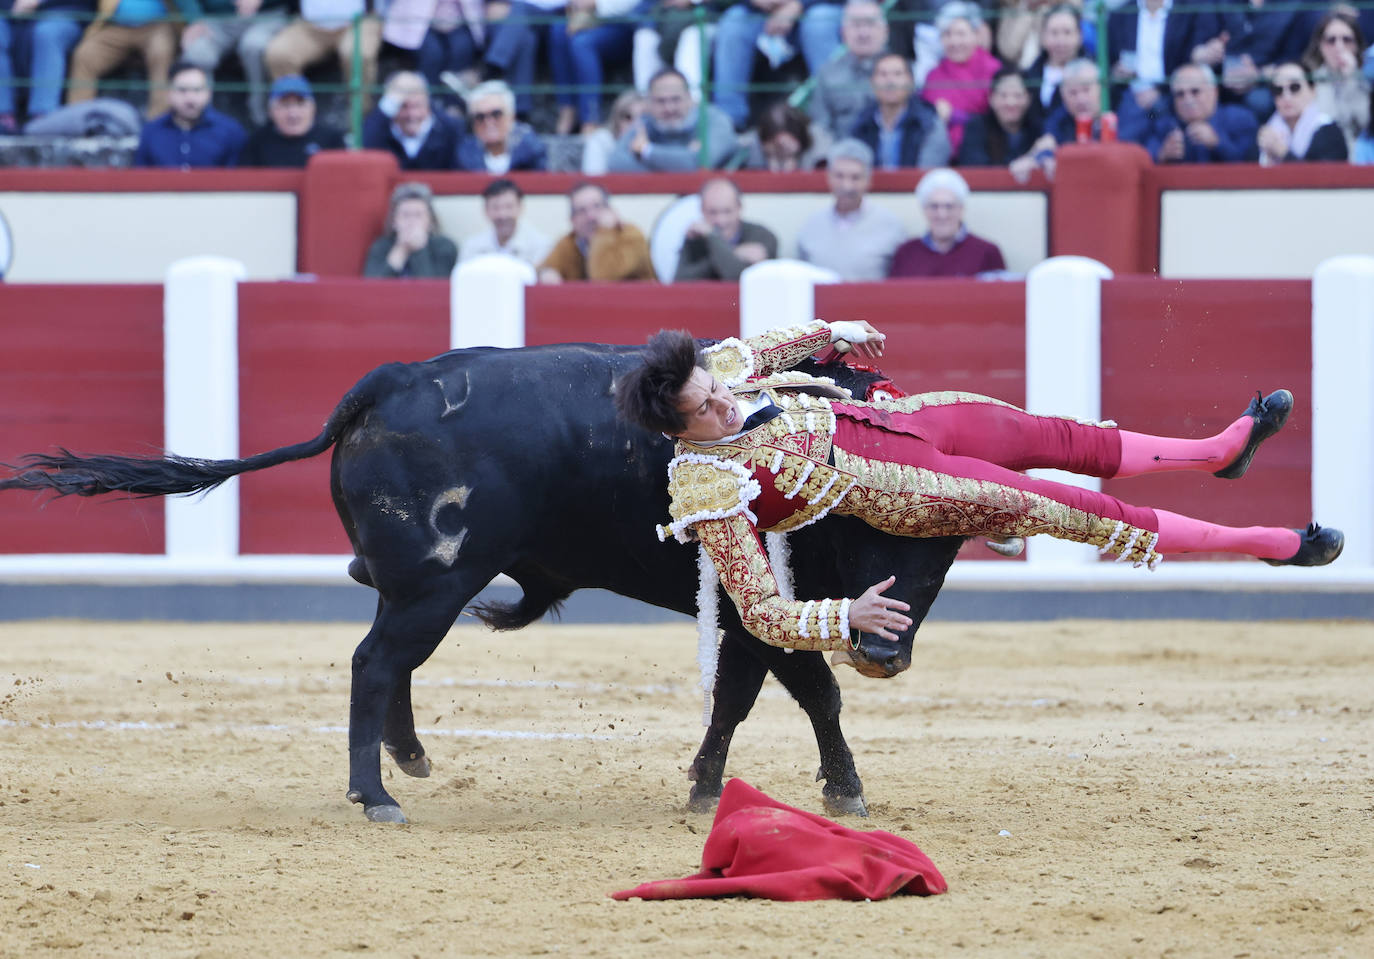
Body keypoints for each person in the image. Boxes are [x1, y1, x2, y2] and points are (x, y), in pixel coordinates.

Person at [613, 320, 1344, 651]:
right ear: (678, 432)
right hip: (915, 491)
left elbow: (777, 344)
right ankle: (1269, 544)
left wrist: (837, 330)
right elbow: (762, 611)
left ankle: (1218, 451)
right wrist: (845, 618)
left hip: (912, 416)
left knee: (1064, 436)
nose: (721, 403)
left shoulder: (720, 369)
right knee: (1071, 508)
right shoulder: (705, 484)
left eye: (712, 388)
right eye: (704, 411)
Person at [711, 0, 846, 130]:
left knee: (819, 24)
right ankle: (729, 122)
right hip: (759, 12)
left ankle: (832, 117)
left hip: (817, 7)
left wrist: (798, 4)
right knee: (733, 24)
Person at [796, 138, 906, 281]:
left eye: (855, 178)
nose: (847, 186)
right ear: (828, 177)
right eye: (839, 176)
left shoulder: (891, 227)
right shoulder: (811, 226)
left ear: (868, 181)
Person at [65, 0, 200, 117]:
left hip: (158, 27)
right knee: (85, 54)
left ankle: (158, 124)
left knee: (162, 51)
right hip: (117, 26)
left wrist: (194, 21)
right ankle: (79, 121)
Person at [178, 0, 289, 127]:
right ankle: (202, 124)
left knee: (254, 46)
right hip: (216, 20)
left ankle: (264, 120)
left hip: (267, 16)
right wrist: (195, 17)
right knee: (196, 53)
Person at [608, 66, 737, 172]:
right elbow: (616, 163)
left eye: (675, 99)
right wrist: (683, 159)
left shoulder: (715, 120)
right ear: (649, 104)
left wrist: (647, 151)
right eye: (661, 101)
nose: (669, 108)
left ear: (690, 99)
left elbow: (698, 163)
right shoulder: (644, 124)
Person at [264, 0, 382, 111]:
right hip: (309, 25)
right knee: (279, 54)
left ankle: (360, 121)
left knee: (357, 55)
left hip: (359, 21)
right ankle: (297, 119)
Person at [889, 167, 1004, 277]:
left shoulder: (987, 253)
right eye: (934, 206)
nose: (942, 214)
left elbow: (1001, 295)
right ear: (924, 210)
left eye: (949, 206)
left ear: (961, 209)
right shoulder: (906, 253)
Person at [920, 1, 1000, 155]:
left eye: (961, 34)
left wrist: (955, 115)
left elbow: (1000, 119)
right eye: (947, 34)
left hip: (984, 151)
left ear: (976, 35)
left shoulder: (993, 70)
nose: (954, 42)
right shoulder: (933, 76)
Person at [548, 0, 640, 132]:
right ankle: (567, 108)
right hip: (585, 17)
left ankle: (590, 120)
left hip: (622, 23)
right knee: (558, 30)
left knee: (582, 44)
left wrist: (595, 4)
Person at [132, 61, 246, 167]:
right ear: (168, 93)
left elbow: (240, 182)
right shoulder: (151, 132)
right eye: (182, 90)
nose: (190, 99)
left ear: (208, 93)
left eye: (197, 90)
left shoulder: (231, 132)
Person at [849, 51, 951, 169]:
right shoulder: (860, 123)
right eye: (883, 74)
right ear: (872, 83)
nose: (890, 81)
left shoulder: (929, 123)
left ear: (911, 82)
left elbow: (928, 175)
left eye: (898, 74)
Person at [0, 0, 91, 130]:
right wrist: (12, 6)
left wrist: (37, 2)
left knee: (46, 34)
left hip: (64, 11)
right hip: (9, 14)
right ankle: (3, 117)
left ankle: (43, 118)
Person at [538, 182, 655, 283]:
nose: (591, 216)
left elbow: (602, 279)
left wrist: (604, 232)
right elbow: (541, 269)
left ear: (611, 210)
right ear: (572, 221)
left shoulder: (631, 235)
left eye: (597, 206)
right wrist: (546, 272)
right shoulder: (570, 242)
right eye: (582, 211)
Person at [809, 0, 890, 143]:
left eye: (870, 24)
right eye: (856, 25)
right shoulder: (828, 74)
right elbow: (819, 128)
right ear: (843, 33)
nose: (863, 33)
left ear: (885, 31)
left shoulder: (900, 72)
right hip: (840, 159)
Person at [673, 178, 779, 282]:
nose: (720, 220)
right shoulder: (696, 237)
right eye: (713, 212)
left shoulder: (762, 236)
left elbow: (737, 276)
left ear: (739, 207)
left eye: (727, 211)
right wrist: (731, 250)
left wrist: (719, 247)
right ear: (702, 210)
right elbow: (679, 282)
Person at [1154, 62, 1256, 163]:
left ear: (1214, 92)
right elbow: (1146, 158)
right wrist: (1162, 155)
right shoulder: (1164, 126)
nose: (1188, 100)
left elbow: (1250, 164)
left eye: (1195, 92)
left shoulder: (1239, 119)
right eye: (1180, 94)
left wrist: (1217, 143)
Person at [957, 67, 1045, 181]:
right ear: (991, 98)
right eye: (1003, 95)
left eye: (1017, 95)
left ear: (1028, 98)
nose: (1010, 102)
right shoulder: (976, 127)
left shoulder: (1039, 129)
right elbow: (974, 168)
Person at [362, 70, 461, 171]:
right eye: (403, 106)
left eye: (417, 106)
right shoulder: (379, 130)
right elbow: (365, 145)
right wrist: (389, 103)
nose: (412, 115)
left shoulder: (449, 131)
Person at [239, 74, 346, 166]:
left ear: (313, 108)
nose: (293, 114)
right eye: (285, 105)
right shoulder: (257, 142)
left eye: (300, 104)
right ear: (271, 111)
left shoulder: (333, 140)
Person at [1255, 61, 1347, 163]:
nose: (1286, 96)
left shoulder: (1329, 132)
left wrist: (1283, 153)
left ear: (1313, 90)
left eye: (1294, 87)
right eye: (1278, 90)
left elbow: (1324, 177)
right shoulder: (1267, 132)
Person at [1302, 10, 1368, 154]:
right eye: (1331, 40)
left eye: (1347, 40)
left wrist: (1352, 80)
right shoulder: (1309, 80)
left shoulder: (1367, 80)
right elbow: (1325, 124)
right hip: (1321, 159)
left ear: (1356, 45)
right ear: (1320, 45)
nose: (1339, 47)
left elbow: (1366, 123)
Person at [363, 181, 459, 278]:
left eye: (418, 215)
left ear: (430, 222)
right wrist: (401, 250)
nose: (411, 221)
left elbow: (435, 288)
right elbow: (372, 287)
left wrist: (419, 250)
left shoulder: (444, 247)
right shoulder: (381, 247)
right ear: (394, 222)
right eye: (405, 215)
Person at [455, 79, 547, 172]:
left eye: (496, 114)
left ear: (511, 117)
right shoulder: (465, 153)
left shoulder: (531, 148)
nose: (488, 122)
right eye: (480, 116)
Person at [459, 178, 553, 268]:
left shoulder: (540, 245)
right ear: (486, 210)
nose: (502, 215)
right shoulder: (472, 247)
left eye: (509, 207)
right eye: (496, 208)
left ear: (521, 207)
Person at [1020, 3, 1085, 120]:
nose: (1061, 41)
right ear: (1043, 36)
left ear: (1080, 36)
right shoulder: (1030, 76)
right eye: (1054, 33)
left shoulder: (1094, 73)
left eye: (1067, 32)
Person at [746, 99, 828, 170]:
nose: (780, 148)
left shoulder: (817, 137)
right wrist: (771, 160)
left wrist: (794, 157)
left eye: (781, 145)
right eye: (775, 145)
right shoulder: (758, 141)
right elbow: (755, 172)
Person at [582, 88, 643, 174]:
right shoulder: (601, 140)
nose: (635, 124)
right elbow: (593, 178)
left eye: (643, 118)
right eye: (628, 117)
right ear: (617, 119)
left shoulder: (655, 144)